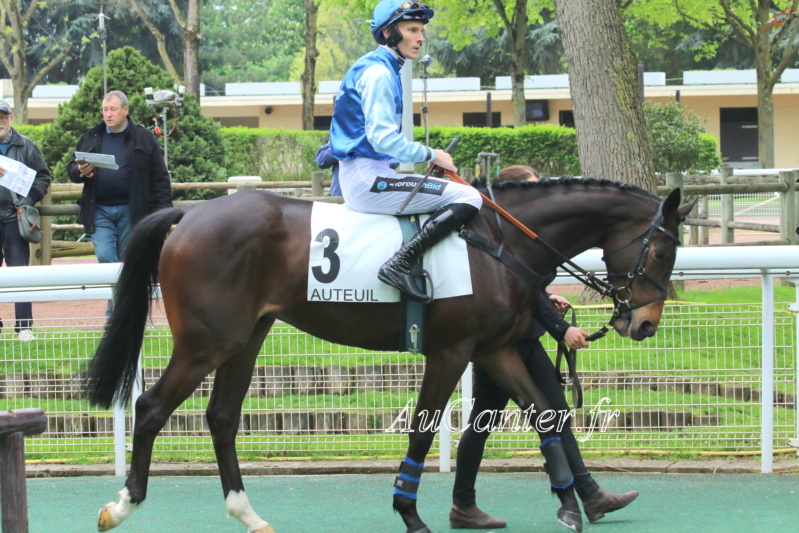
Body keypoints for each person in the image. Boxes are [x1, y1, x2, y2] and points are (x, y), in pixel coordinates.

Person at [449, 165, 639, 530]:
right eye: (533, 190)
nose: (541, 196)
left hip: (520, 337)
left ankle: (588, 495)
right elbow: (516, 287)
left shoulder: (518, 234)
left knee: (547, 415)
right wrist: (562, 329)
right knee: (495, 423)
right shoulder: (506, 234)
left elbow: (528, 289)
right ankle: (465, 505)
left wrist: (549, 297)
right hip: (503, 343)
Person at [329, 0, 482, 303]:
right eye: (412, 29)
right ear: (388, 33)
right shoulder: (379, 74)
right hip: (367, 179)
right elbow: (383, 138)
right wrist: (431, 154)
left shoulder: (381, 67)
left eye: (422, 30)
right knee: (469, 196)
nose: (421, 38)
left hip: (369, 172)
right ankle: (399, 264)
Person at [67, 90, 173, 316]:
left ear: (126, 111)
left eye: (113, 109)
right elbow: (71, 169)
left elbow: (160, 178)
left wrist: (163, 215)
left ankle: (118, 317)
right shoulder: (91, 136)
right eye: (105, 109)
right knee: (106, 258)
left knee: (127, 263)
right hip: (98, 210)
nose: (108, 114)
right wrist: (80, 171)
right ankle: (118, 315)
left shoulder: (144, 137)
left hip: (132, 212)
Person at [0, 100, 52, 342]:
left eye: (3, 116)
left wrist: (28, 199)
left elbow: (44, 177)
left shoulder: (27, 146)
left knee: (20, 273)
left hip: (14, 217)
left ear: (11, 118)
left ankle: (24, 327)